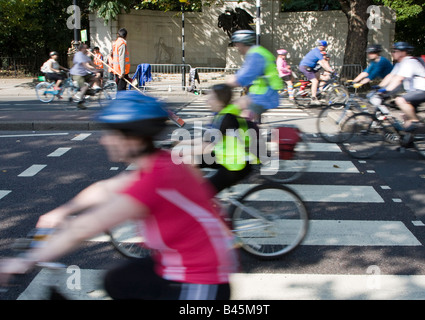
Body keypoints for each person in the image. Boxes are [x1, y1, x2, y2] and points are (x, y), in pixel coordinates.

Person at [0, 91, 238, 300]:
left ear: (133, 139)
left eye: (112, 133)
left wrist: (25, 261)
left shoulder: (155, 180)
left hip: (203, 281)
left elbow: (83, 228)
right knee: (116, 281)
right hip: (176, 262)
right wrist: (61, 211)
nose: (104, 139)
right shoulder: (159, 163)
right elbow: (105, 188)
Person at [176, 84, 256, 194]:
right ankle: (200, 192)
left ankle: (205, 200)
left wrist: (179, 151)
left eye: (211, 97)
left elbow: (208, 146)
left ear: (219, 101)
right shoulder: (220, 115)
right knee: (189, 161)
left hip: (236, 165)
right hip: (224, 156)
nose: (207, 101)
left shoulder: (227, 118)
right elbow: (206, 139)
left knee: (203, 193)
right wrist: (181, 142)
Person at [226, 30, 283, 124]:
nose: (236, 47)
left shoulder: (256, 55)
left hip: (264, 95)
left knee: (242, 119)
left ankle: (249, 137)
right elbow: (243, 72)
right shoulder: (256, 52)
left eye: (237, 44)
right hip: (260, 93)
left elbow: (244, 76)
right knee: (236, 111)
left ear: (242, 43)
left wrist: (224, 86)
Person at [376, 42, 425, 131]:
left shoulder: (409, 62)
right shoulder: (399, 64)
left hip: (424, 90)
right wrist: (378, 87)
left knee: (400, 100)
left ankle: (415, 121)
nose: (393, 53)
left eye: (395, 51)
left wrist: (386, 90)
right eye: (392, 51)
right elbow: (390, 76)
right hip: (414, 91)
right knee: (405, 117)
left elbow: (398, 79)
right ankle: (408, 142)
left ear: (403, 52)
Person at [299, 40, 335, 105]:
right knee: (315, 81)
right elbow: (323, 62)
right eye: (325, 47)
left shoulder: (316, 51)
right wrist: (331, 70)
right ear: (323, 47)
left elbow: (323, 64)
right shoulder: (317, 52)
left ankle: (317, 91)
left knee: (319, 76)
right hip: (306, 67)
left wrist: (328, 70)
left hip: (309, 67)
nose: (325, 48)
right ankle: (313, 98)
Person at [70, 43, 102, 109]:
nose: (87, 49)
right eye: (85, 48)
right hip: (77, 74)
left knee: (95, 77)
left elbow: (91, 63)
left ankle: (87, 89)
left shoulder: (85, 55)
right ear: (81, 49)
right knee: (84, 87)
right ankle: (80, 102)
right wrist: (94, 70)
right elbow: (85, 65)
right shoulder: (78, 55)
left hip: (83, 73)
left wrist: (99, 68)